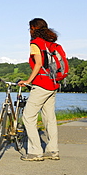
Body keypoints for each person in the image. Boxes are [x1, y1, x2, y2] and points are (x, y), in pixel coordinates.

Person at [18, 18, 60, 161]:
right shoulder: (51, 43)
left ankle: (35, 152)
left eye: (29, 28)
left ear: (33, 28)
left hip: (42, 84)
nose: (29, 31)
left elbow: (39, 64)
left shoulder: (36, 43)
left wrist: (28, 81)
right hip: (53, 84)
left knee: (28, 117)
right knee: (50, 118)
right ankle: (53, 151)